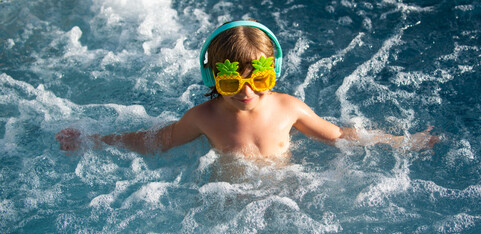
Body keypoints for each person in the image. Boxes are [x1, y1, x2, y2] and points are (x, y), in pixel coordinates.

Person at [56, 20, 439, 164]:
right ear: (212, 80)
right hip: (226, 201)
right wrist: (95, 140)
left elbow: (338, 134)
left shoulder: (288, 108)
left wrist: (400, 141)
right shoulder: (203, 118)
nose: (246, 92)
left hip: (289, 193)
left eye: (259, 80)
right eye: (229, 82)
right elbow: (157, 140)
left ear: (274, 74)